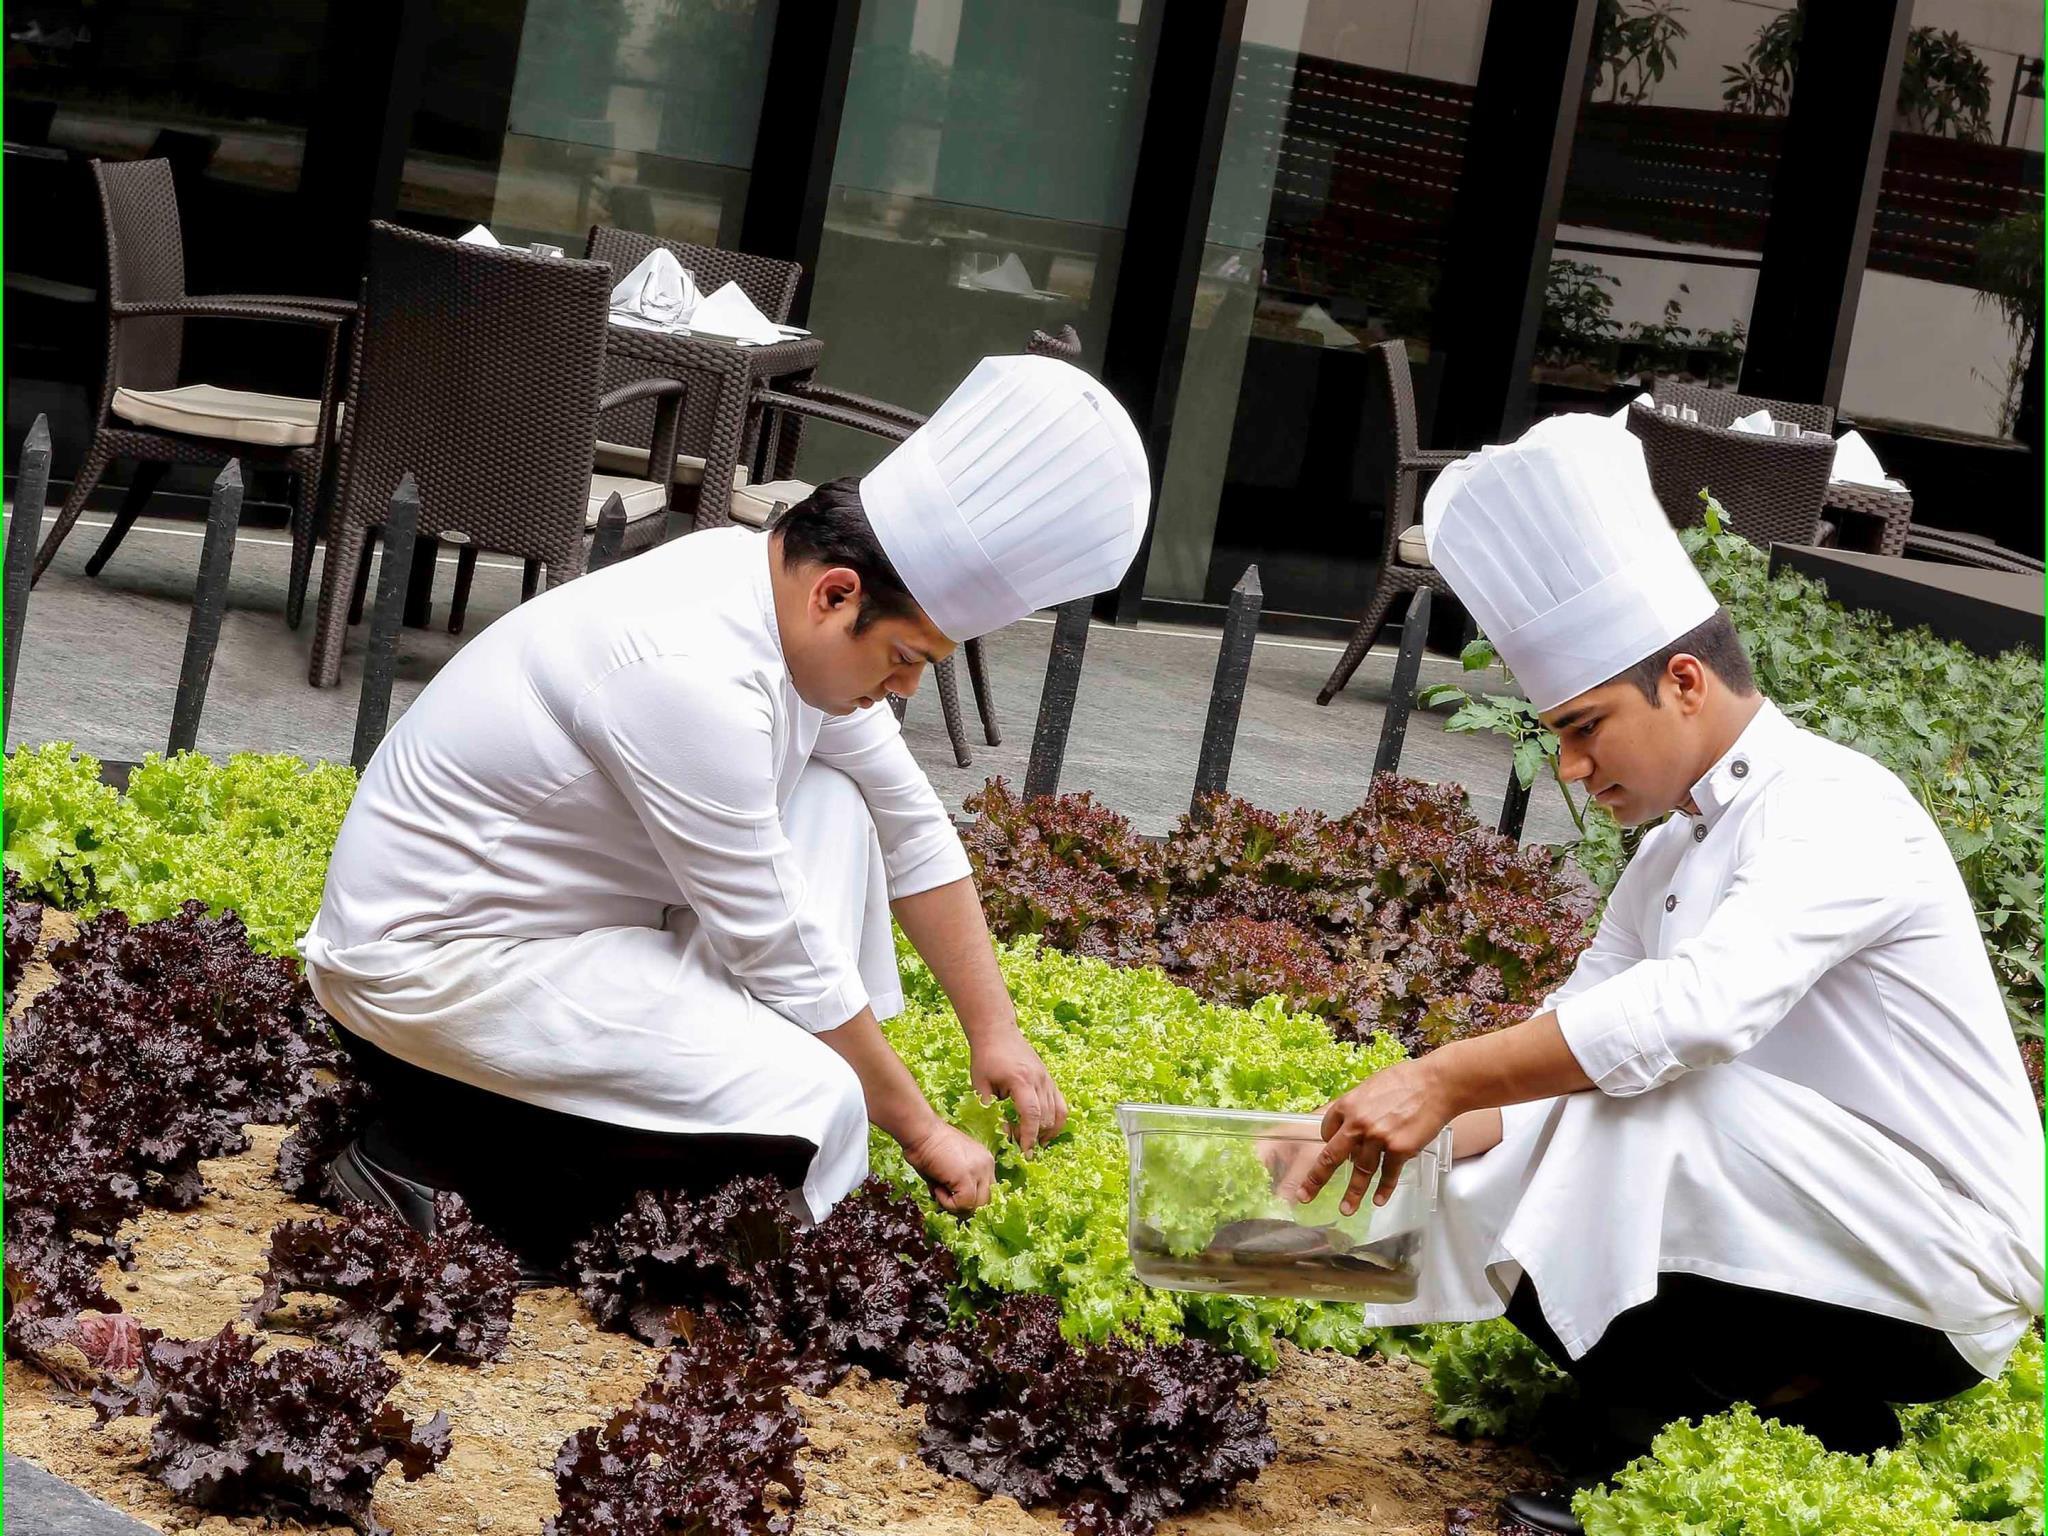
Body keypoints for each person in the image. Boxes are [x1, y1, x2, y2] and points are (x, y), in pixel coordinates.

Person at [1284, 414, 2044, 1534]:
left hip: (1946, 1268)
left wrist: (1440, 1079)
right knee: (1543, 1117)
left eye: (1585, 727)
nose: (1571, 767)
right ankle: (1793, 1419)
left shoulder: (1836, 805)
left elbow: (1693, 1014)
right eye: (1557, 735)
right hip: (1811, 1227)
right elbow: (1564, 1043)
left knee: (1640, 1095)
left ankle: (1665, 1443)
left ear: (1682, 682)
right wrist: (1339, 1139)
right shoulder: (1671, 852)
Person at [298, 354, 1150, 1273]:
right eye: (904, 656)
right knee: (815, 1108)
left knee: (844, 799)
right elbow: (775, 943)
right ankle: (431, 1172)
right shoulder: (688, 673)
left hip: (573, 936)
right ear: (837, 594)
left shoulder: (765, 596)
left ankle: (573, 1141)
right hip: (431, 971)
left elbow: (909, 822)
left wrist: (997, 1031)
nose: (904, 686)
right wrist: (922, 1130)